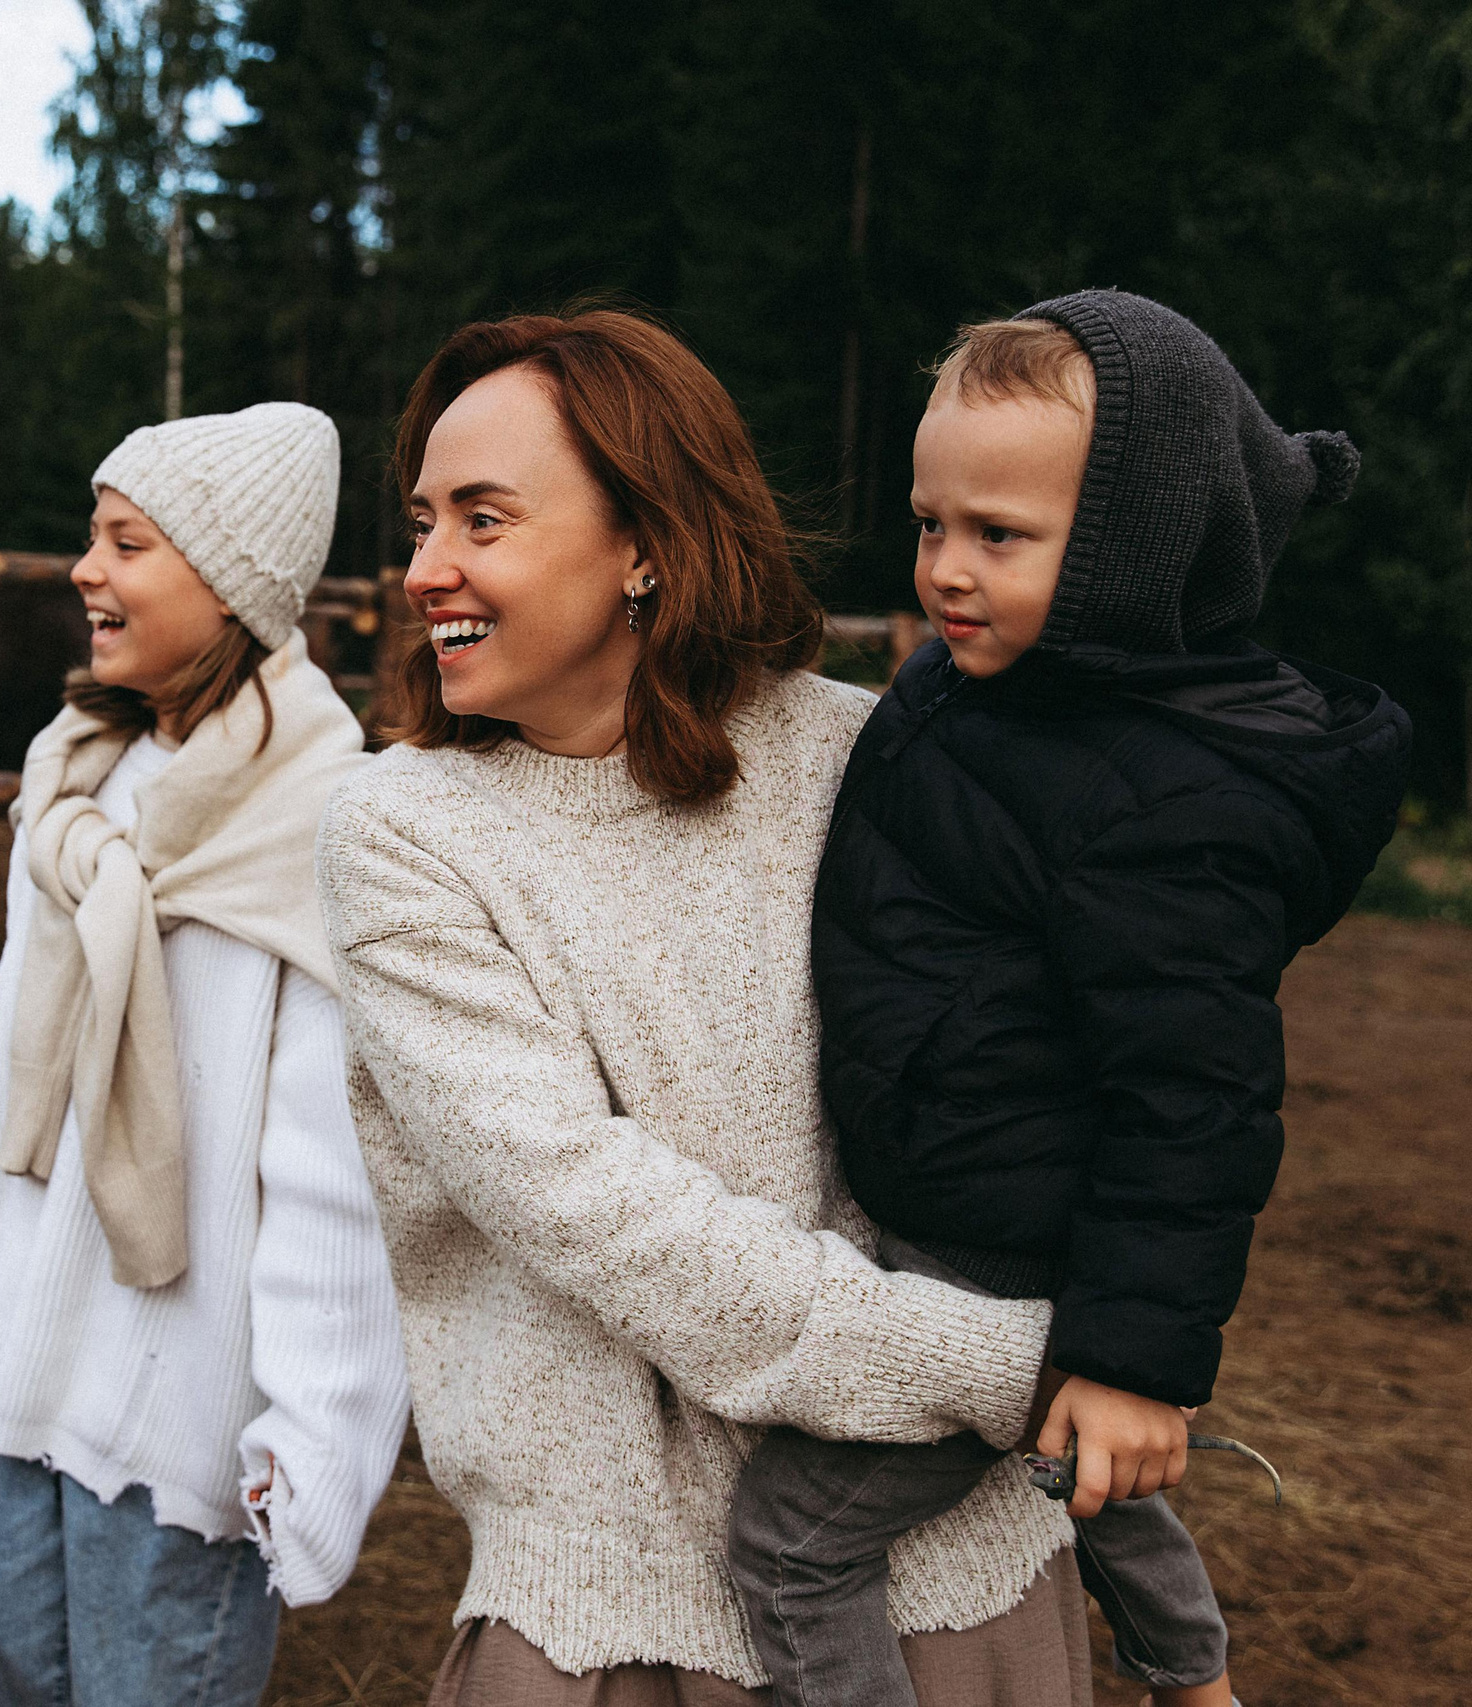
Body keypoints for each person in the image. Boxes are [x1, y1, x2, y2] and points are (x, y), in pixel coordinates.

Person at [316, 307, 1095, 1706]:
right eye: (422, 517)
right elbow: (598, 1209)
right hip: (623, 1610)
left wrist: (1118, 1321)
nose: (425, 565)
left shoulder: (868, 754)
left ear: (646, 542)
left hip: (948, 1568)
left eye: (481, 519)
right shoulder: (402, 834)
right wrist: (1016, 1367)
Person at [726, 291, 1411, 1707]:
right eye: (930, 525)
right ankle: (1191, 1669)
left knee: (792, 1543)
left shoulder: (1165, 802)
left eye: (1000, 536)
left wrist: (1134, 1356)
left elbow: (1194, 1101)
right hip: (969, 1193)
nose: (946, 570)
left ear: (1128, 556)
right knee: (1067, 1425)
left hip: (1009, 1237)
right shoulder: (992, 690)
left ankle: (1168, 1633)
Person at [0, 401, 411, 1707]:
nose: (86, 569)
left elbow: (334, 1164)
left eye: (128, 542)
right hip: (34, 1338)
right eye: (92, 536)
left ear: (230, 579)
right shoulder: (76, 778)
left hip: (185, 1379)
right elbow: (8, 1074)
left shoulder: (319, 822)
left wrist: (314, 1419)